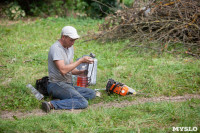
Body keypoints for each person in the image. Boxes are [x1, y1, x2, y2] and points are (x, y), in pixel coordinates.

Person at [42, 26, 96, 113]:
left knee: (91, 93)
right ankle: (51, 104)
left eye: (74, 40)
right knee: (83, 102)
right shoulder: (56, 48)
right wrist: (80, 61)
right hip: (56, 85)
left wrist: (79, 72)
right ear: (63, 37)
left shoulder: (70, 48)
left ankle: (63, 99)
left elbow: (70, 69)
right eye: (71, 40)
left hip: (68, 84)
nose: (73, 43)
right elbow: (63, 70)